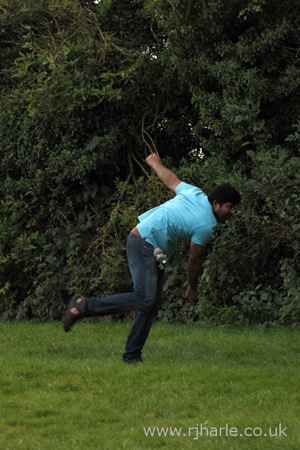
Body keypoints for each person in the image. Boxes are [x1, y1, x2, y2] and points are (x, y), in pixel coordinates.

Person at [62, 153, 241, 363]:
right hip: (143, 242)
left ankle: (132, 356)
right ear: (216, 204)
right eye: (229, 207)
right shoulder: (206, 225)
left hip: (152, 248)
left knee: (151, 303)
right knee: (146, 298)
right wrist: (192, 287)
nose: (233, 212)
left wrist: (155, 163)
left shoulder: (195, 193)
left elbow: (170, 180)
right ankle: (84, 306)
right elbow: (195, 259)